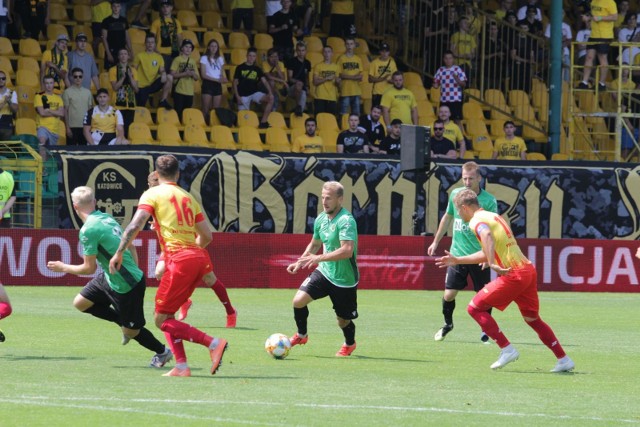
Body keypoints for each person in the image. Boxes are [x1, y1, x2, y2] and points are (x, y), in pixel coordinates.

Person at [109, 155, 228, 377]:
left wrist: (119, 252)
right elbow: (207, 236)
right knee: (169, 315)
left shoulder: (152, 193)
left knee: (160, 319)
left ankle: (213, 343)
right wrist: (193, 254)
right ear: (178, 173)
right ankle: (181, 365)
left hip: (179, 260)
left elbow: (136, 224)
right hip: (197, 257)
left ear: (157, 172)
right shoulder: (188, 197)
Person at [435, 189, 575, 373]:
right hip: (527, 270)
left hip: (514, 274)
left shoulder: (476, 221)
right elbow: (489, 247)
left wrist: (491, 262)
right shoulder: (492, 215)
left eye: (458, 211)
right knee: (532, 319)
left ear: (464, 207)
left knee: (474, 308)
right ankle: (564, 359)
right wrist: (461, 260)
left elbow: (486, 236)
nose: (458, 215)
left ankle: (506, 349)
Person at [46, 186, 173, 368]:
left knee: (133, 331)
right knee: (81, 303)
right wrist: (134, 268)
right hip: (110, 277)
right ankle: (122, 321)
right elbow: (131, 246)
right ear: (95, 202)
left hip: (127, 285)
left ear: (74, 207)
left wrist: (63, 267)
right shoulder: (107, 218)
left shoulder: (88, 230)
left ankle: (162, 352)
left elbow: (88, 269)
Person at [147, 171, 237, 327]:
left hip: (189, 245)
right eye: (151, 186)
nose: (152, 188)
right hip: (172, 247)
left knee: (210, 279)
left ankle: (230, 311)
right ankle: (184, 302)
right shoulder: (154, 198)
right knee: (159, 272)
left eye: (154, 185)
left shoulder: (178, 197)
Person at [287, 181, 359, 357]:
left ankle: (349, 344)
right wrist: (301, 261)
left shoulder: (346, 220)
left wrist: (317, 257)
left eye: (329, 198)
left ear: (339, 199)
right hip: (324, 272)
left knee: (342, 321)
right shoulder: (321, 218)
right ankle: (301, 335)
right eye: (322, 197)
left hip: (344, 280)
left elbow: (347, 251)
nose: (324, 201)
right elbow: (315, 243)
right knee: (298, 301)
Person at [428, 161, 496, 341]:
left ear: (479, 178)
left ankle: (485, 330)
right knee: (449, 294)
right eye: (464, 178)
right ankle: (447, 324)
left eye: (471, 178)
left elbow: (493, 228)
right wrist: (436, 241)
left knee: (484, 296)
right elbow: (448, 216)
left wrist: (488, 255)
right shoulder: (455, 195)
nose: (467, 182)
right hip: (456, 255)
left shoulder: (489, 201)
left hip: (478, 256)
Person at [578, 0, 618, 90]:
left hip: (605, 35)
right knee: (589, 57)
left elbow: (615, 17)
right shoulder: (593, 2)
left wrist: (600, 18)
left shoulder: (610, 2)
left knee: (602, 58)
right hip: (593, 34)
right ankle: (584, 82)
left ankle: (602, 83)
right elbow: (593, 16)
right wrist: (587, 19)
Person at [233, 47, 274, 129]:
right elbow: (234, 83)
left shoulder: (257, 69)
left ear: (255, 57)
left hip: (254, 93)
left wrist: (270, 93)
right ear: (246, 56)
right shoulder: (240, 67)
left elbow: (265, 81)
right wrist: (237, 96)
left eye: (253, 56)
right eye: (250, 56)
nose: (251, 58)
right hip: (242, 95)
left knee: (271, 98)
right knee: (244, 119)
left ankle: (263, 122)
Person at [133, 33, 173, 110]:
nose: (150, 44)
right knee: (140, 109)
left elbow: (161, 69)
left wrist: (163, 73)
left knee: (169, 77)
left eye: (152, 42)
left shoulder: (159, 57)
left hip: (153, 84)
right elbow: (134, 70)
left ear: (155, 44)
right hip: (141, 86)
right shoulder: (139, 56)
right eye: (148, 42)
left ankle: (163, 100)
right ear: (145, 44)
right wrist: (135, 84)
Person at [109, 48, 138, 137]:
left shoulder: (133, 70)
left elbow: (136, 89)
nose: (123, 56)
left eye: (125, 54)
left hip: (130, 105)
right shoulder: (113, 70)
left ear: (128, 56)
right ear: (118, 57)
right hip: (118, 104)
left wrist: (130, 76)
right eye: (121, 54)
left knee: (128, 130)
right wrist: (123, 77)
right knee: (118, 129)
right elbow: (115, 87)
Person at [433, 50, 467, 125]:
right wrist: (435, 85)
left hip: (455, 99)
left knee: (457, 120)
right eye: (446, 58)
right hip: (444, 99)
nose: (448, 60)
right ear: (443, 59)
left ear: (453, 59)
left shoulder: (457, 69)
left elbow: (464, 84)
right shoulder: (440, 70)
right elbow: (436, 84)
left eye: (450, 58)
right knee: (442, 120)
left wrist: (457, 79)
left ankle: (460, 136)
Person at [35, 76, 65, 160]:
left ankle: (45, 166)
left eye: (51, 83)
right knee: (42, 142)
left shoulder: (58, 98)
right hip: (42, 127)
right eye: (47, 83)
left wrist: (49, 110)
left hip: (54, 130)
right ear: (44, 84)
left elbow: (62, 113)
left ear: (53, 84)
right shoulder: (39, 96)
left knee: (49, 153)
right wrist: (55, 112)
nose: (49, 85)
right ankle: (42, 168)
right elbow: (42, 113)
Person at [63, 68, 94, 145]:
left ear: (83, 77)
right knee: (70, 152)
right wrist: (67, 127)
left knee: (83, 152)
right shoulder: (67, 92)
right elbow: (65, 111)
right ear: (72, 77)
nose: (78, 78)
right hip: (72, 127)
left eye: (80, 76)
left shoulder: (88, 92)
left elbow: (90, 111)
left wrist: (90, 127)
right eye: (75, 76)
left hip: (85, 128)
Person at [150, 0, 182, 74]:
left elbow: (179, 38)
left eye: (167, 6)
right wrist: (155, 51)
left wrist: (180, 50)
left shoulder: (177, 22)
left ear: (171, 8)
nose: (165, 9)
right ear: (161, 8)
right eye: (163, 7)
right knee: (161, 77)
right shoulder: (156, 22)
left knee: (173, 77)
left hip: (174, 53)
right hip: (161, 53)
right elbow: (152, 38)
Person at [170, 39, 200, 118]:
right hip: (179, 90)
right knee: (178, 113)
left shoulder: (193, 61)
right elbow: (172, 74)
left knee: (186, 115)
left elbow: (197, 77)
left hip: (190, 92)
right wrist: (184, 74)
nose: (188, 49)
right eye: (186, 46)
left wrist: (192, 73)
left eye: (190, 47)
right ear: (182, 48)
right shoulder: (177, 59)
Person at [200, 38, 227, 122]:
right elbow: (203, 75)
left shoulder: (220, 59)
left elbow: (221, 73)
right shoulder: (204, 58)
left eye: (215, 46)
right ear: (208, 47)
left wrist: (223, 79)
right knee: (205, 109)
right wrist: (217, 80)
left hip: (217, 85)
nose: (214, 48)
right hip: (208, 84)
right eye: (212, 46)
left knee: (216, 110)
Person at [101, 0, 132, 70]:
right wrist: (108, 53)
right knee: (110, 72)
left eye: (118, 6)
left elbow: (127, 37)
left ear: (120, 7)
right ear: (111, 7)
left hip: (122, 51)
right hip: (111, 50)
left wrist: (130, 51)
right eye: (114, 6)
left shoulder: (124, 20)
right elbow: (104, 38)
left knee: (122, 72)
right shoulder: (106, 21)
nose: (116, 8)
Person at [337, 37, 363, 116]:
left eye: (351, 44)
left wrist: (347, 76)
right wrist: (353, 77)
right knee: (343, 115)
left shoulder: (358, 59)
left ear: (354, 45)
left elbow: (360, 76)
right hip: (345, 91)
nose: (349, 46)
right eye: (347, 44)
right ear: (345, 45)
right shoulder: (341, 59)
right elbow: (340, 74)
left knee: (356, 115)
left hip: (356, 91)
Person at [312, 45, 340, 116]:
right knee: (319, 119)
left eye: (329, 52)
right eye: (325, 52)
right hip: (320, 96)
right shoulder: (318, 66)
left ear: (332, 53)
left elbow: (338, 84)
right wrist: (326, 78)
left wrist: (338, 82)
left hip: (332, 97)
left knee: (331, 120)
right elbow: (315, 82)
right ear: (323, 53)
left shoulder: (336, 67)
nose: (327, 54)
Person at [286, 41, 311, 117]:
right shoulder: (291, 61)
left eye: (303, 50)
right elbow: (290, 78)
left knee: (303, 94)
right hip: (291, 88)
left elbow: (307, 77)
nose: (301, 52)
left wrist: (307, 87)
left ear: (305, 51)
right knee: (299, 84)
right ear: (296, 51)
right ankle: (298, 106)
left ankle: (299, 112)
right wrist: (299, 82)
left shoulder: (307, 63)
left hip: (302, 88)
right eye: (299, 50)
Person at [368, 42, 397, 107]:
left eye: (386, 51)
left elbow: (395, 77)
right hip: (377, 92)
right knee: (376, 113)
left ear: (389, 52)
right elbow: (370, 79)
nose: (384, 53)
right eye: (382, 51)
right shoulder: (374, 63)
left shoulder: (392, 63)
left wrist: (392, 81)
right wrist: (383, 78)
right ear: (380, 52)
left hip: (389, 92)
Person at [450, 16, 476, 86]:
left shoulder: (471, 38)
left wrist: (471, 56)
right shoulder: (455, 36)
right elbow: (452, 52)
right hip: (458, 64)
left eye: (468, 23)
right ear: (459, 24)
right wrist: (463, 56)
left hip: (468, 65)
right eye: (465, 23)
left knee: (468, 86)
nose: (467, 24)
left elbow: (473, 53)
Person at [262, 47, 288, 113]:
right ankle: (273, 109)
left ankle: (274, 109)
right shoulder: (265, 63)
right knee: (272, 82)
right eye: (272, 56)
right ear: (268, 57)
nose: (274, 58)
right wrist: (282, 81)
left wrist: (277, 67)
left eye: (276, 56)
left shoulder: (280, 64)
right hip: (265, 86)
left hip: (278, 86)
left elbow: (283, 78)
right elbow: (269, 77)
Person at [0, 70, 17, 141]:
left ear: (6, 80)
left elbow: (15, 110)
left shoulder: (12, 93)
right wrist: (4, 102)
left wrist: (9, 102)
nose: (1, 80)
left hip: (6, 123)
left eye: (3, 78)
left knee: (6, 148)